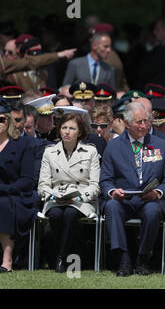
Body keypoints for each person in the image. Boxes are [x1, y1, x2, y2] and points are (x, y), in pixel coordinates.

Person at [100, 102, 165, 277]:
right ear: (126, 123)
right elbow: (105, 180)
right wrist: (113, 192)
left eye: (146, 121)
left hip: (150, 199)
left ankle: (142, 258)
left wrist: (157, 193)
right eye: (138, 122)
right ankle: (124, 259)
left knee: (153, 211)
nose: (144, 126)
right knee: (111, 207)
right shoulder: (114, 146)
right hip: (123, 199)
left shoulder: (161, 145)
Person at [37, 113, 100, 272]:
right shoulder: (49, 152)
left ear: (79, 132)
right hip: (56, 197)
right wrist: (52, 196)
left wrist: (79, 197)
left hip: (81, 199)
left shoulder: (90, 151)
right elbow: (43, 184)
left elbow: (95, 185)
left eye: (72, 128)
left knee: (70, 214)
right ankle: (77, 254)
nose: (67, 132)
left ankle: (60, 257)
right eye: (64, 128)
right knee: (57, 215)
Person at [0, 99, 39, 273]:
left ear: (8, 121)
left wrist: (8, 189)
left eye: (1, 119)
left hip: (15, 194)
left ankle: (6, 259)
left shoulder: (22, 144)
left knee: (4, 204)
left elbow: (28, 179)